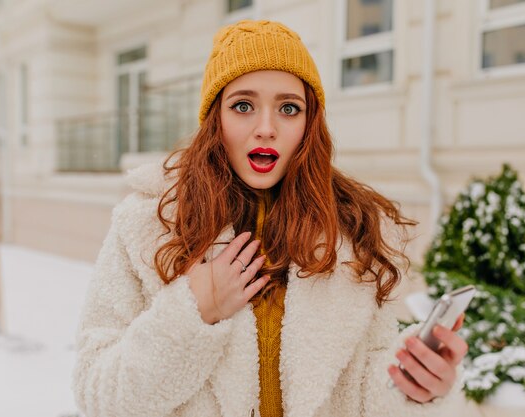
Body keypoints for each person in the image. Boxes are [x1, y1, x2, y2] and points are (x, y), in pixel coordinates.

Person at [73, 20, 468, 417]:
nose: (266, 129)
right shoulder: (147, 225)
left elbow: (361, 395)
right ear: (215, 119)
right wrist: (192, 312)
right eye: (243, 106)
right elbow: (98, 396)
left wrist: (417, 390)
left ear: (309, 123)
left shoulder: (353, 231)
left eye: (288, 108)